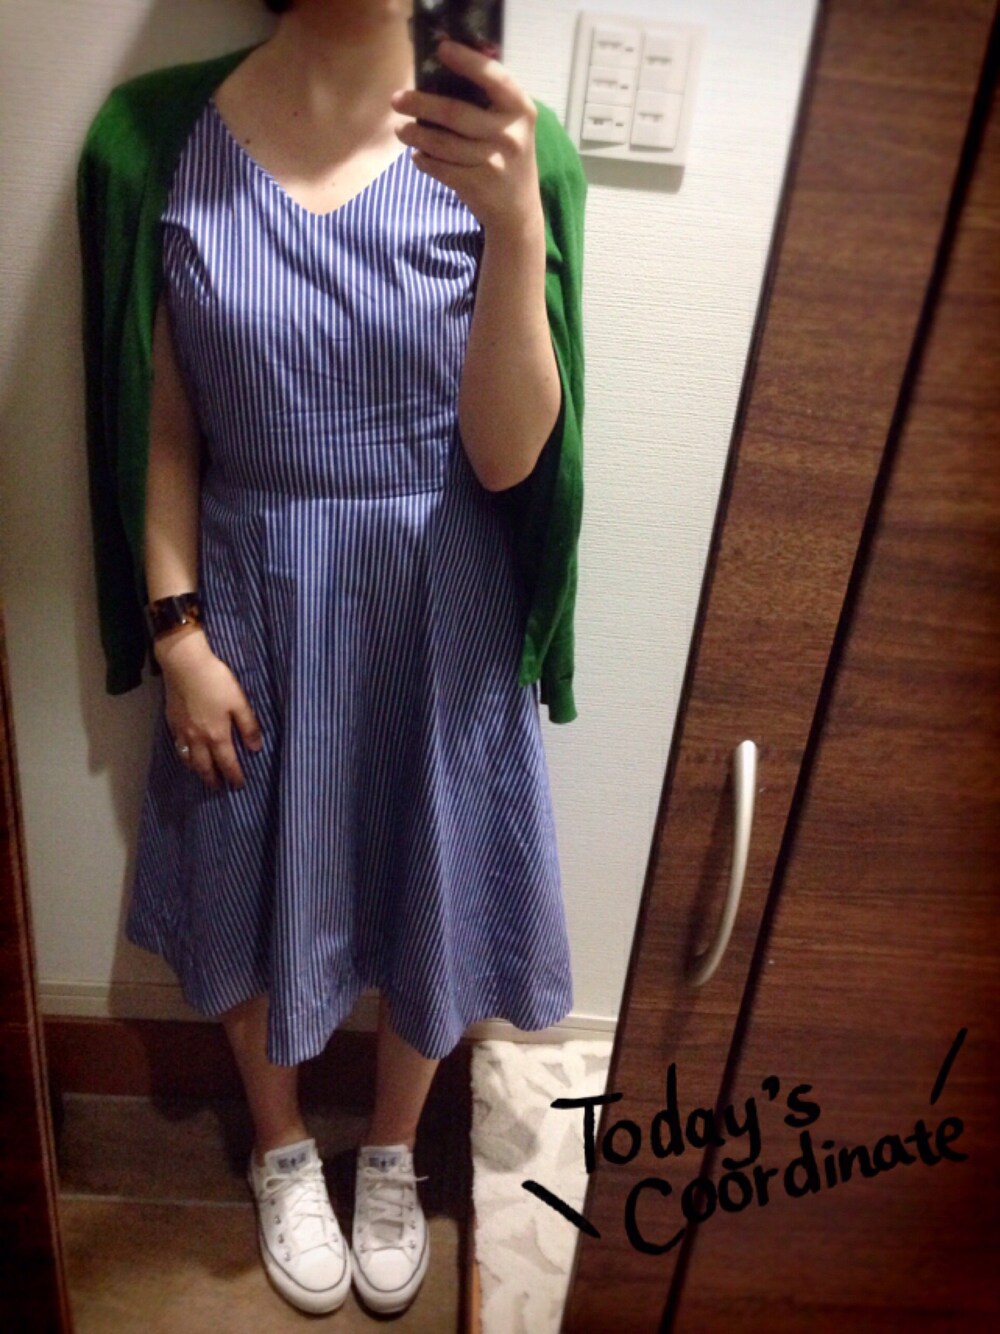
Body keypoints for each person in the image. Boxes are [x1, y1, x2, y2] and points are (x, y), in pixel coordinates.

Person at [77, 0, 585, 1317]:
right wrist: (176, 632)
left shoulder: (513, 145)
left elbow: (510, 460)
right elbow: (161, 424)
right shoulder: (156, 138)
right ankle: (282, 1144)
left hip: (442, 597)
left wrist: (514, 222)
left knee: (438, 879)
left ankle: (394, 1151)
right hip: (246, 589)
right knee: (243, 870)